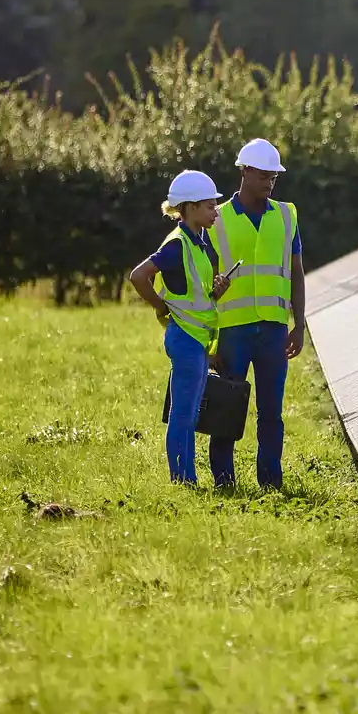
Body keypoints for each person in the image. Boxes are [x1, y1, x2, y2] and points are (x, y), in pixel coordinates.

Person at [208, 138, 306, 489]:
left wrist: (300, 324)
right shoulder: (215, 219)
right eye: (263, 176)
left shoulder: (286, 215)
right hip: (232, 331)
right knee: (225, 408)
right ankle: (224, 482)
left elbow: (296, 271)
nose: (269, 183)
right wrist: (209, 341)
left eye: (274, 178)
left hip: (275, 331)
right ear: (244, 172)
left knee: (271, 415)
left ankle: (271, 483)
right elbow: (200, 280)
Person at [127, 170, 234, 485]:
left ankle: (186, 478)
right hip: (184, 338)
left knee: (191, 414)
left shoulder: (198, 242)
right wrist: (160, 306)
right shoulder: (176, 244)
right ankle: (182, 480)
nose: (216, 211)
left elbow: (193, 293)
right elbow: (138, 276)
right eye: (209, 206)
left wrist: (216, 291)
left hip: (197, 339)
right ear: (189, 208)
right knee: (183, 415)